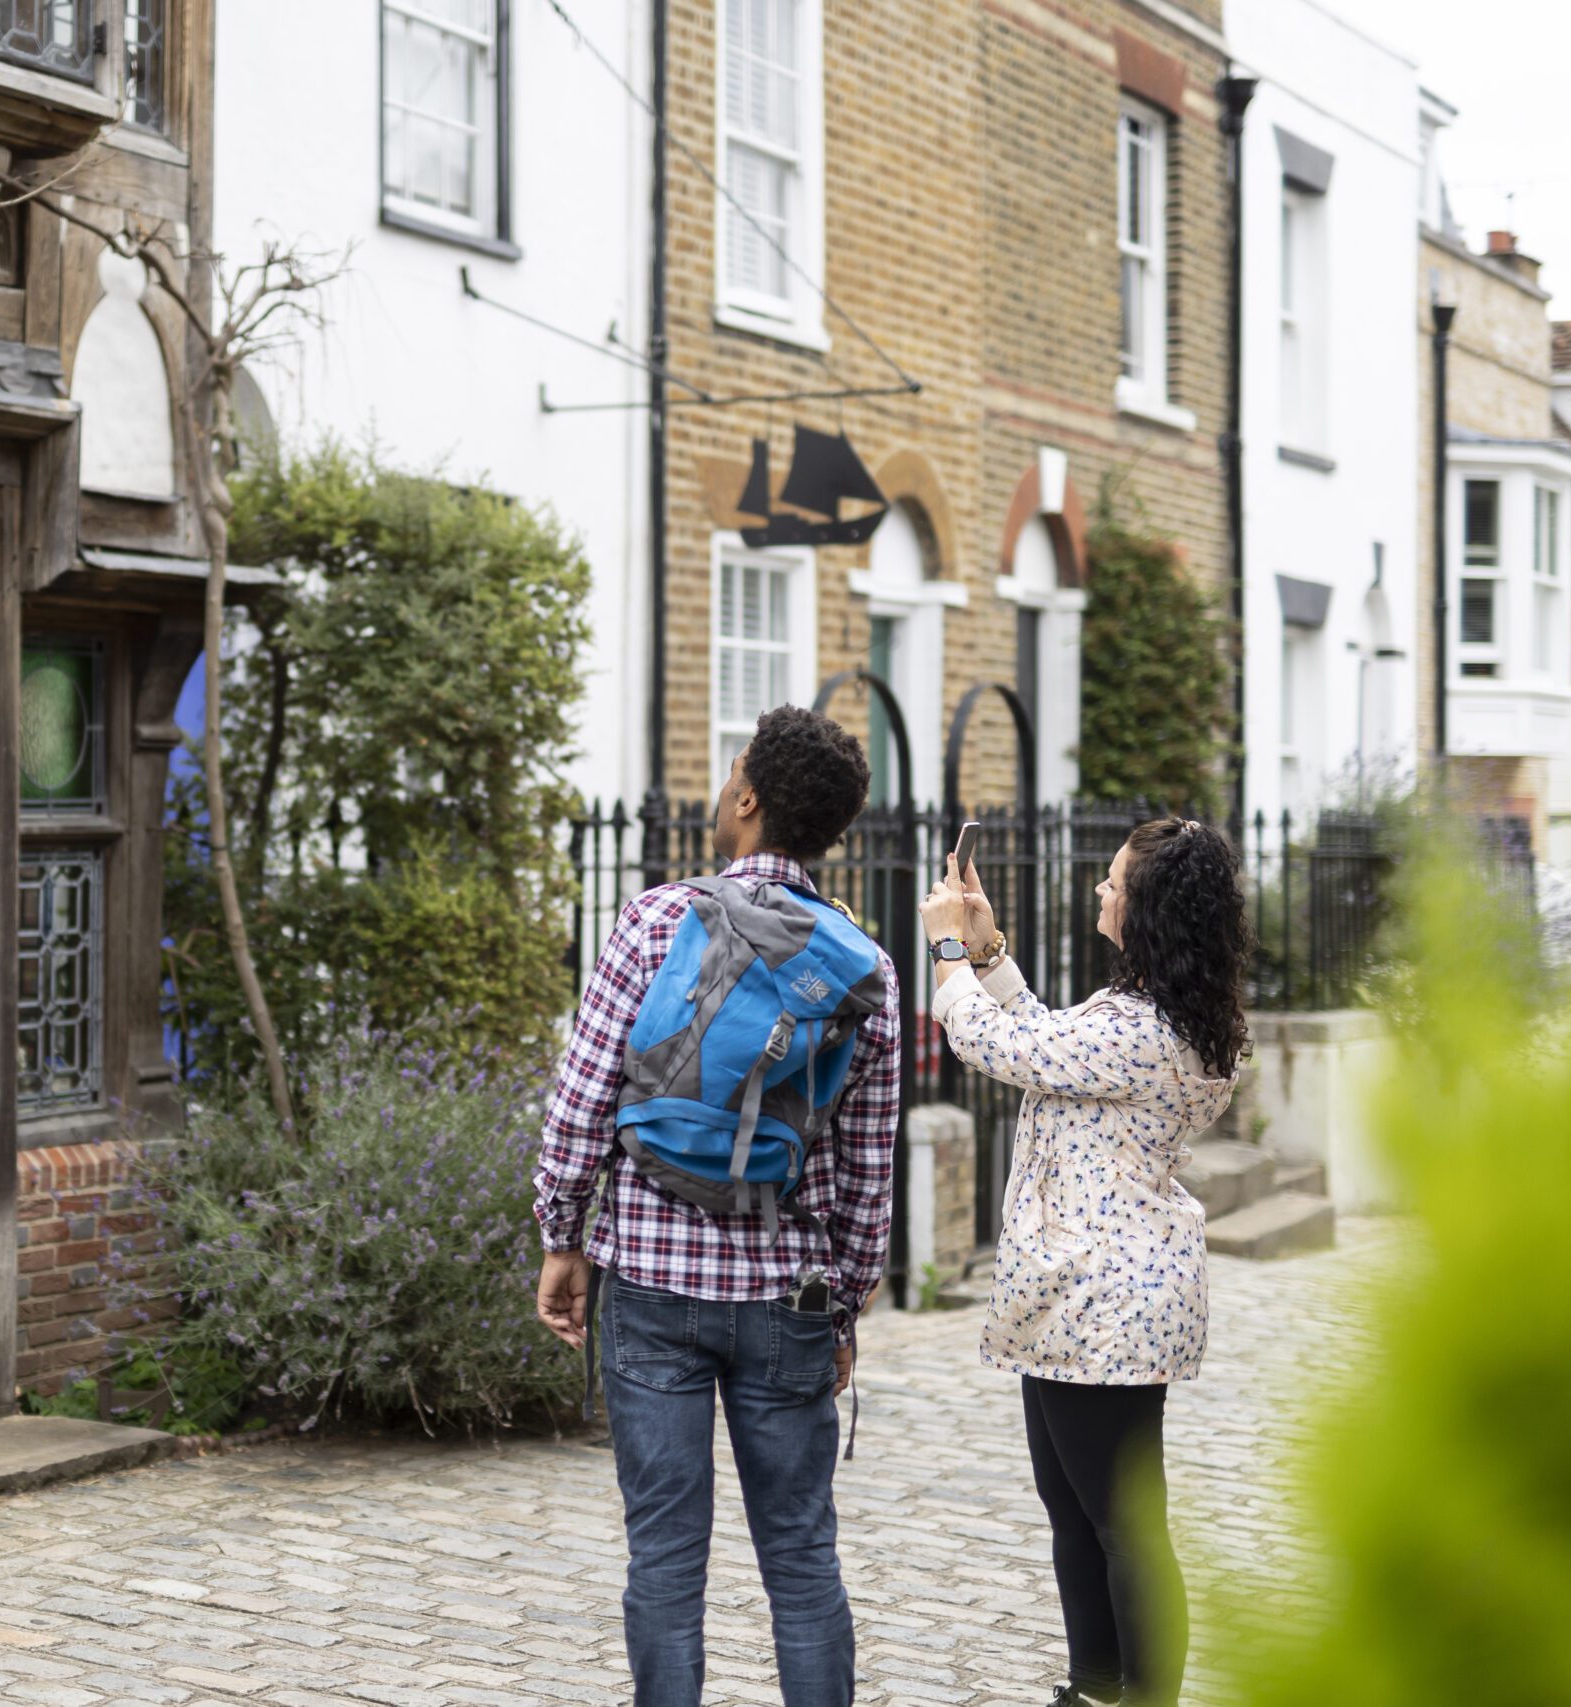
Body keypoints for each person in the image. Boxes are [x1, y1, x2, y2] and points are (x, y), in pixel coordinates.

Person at [535, 706, 901, 1707]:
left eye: (727, 774)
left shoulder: (656, 921)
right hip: (786, 1294)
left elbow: (580, 1102)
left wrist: (562, 1238)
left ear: (746, 799)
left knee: (663, 1558)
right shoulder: (864, 969)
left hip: (649, 1279)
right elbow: (868, 1174)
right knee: (799, 1556)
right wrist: (847, 1303)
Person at [917, 818, 1250, 1707]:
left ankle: (1141, 1698)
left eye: (1114, 883)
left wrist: (946, 946)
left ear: (1150, 911)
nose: (1101, 892)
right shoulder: (1156, 1019)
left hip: (1106, 1303)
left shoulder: (1144, 1030)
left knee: (1123, 1526)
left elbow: (999, 1047)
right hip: (1082, 1300)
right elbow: (1047, 1046)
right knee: (1079, 1511)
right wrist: (987, 952)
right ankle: (1097, 1688)